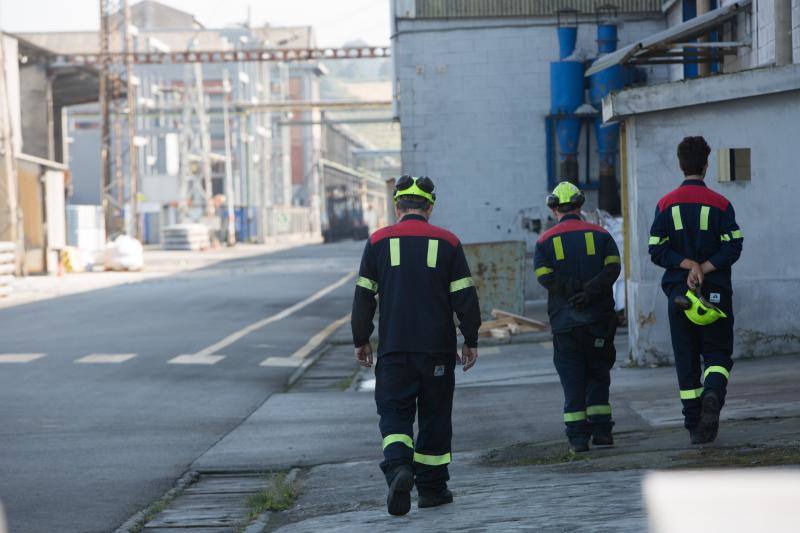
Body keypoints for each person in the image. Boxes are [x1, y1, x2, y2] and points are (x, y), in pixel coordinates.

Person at [351, 175, 481, 516]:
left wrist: (361, 339)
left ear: (397, 207)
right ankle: (433, 489)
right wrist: (471, 338)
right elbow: (465, 297)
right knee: (435, 416)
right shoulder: (448, 242)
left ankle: (398, 467)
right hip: (437, 349)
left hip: (394, 349)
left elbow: (364, 296)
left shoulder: (378, 241)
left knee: (394, 412)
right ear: (430, 207)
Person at [649, 136, 743, 444]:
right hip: (715, 292)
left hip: (680, 297)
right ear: (706, 165)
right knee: (717, 353)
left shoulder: (665, 204)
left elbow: (656, 250)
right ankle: (713, 393)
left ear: (680, 164)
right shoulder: (721, 203)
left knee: (686, 358)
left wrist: (687, 264)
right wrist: (704, 267)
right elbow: (734, 245)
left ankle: (694, 426)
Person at [533, 181, 621, 453]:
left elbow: (544, 277)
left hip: (566, 324)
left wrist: (572, 289)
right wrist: (590, 291)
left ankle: (578, 439)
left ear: (553, 208)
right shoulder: (601, 234)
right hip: (598, 320)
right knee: (598, 374)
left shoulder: (545, 240)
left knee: (572, 380)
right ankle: (602, 432)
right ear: (580, 205)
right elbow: (613, 270)